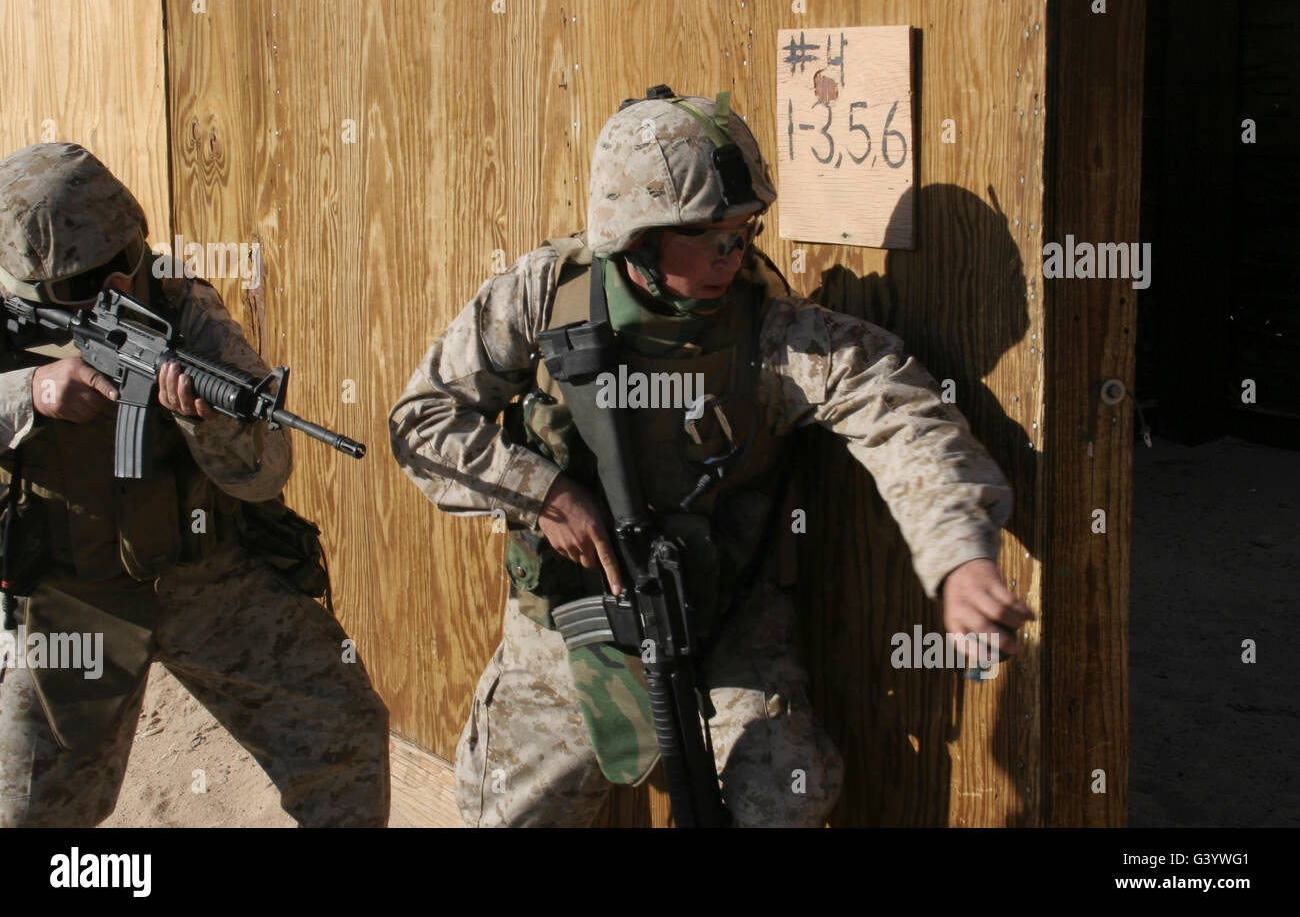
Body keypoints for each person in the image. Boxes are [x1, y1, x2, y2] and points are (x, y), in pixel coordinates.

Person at [390, 86, 1033, 827]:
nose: (735, 256)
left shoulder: (773, 331)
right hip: (575, 611)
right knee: (517, 809)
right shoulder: (544, 298)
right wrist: (543, 493)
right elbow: (422, 421)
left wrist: (960, 555)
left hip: (726, 611)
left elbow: (905, 418)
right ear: (637, 236)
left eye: (745, 232)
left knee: (784, 786)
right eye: (711, 237)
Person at [0, 142, 390, 827]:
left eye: (125, 261)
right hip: (69, 593)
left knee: (345, 728)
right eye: (82, 283)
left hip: (204, 578)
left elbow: (268, 470)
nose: (116, 290)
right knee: (29, 808)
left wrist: (205, 425)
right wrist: (32, 391)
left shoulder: (180, 307)